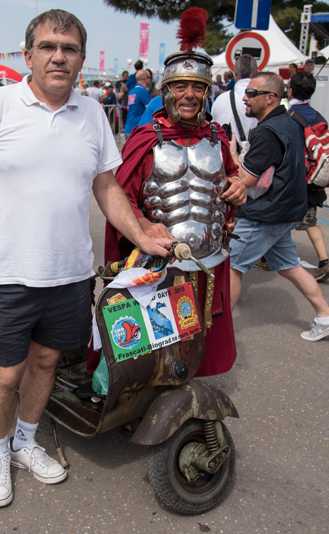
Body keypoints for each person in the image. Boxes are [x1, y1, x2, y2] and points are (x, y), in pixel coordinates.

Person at [0, 9, 172, 508]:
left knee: (47, 361)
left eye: (68, 49)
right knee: (5, 373)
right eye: (48, 47)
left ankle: (25, 441)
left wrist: (140, 233)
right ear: (28, 55)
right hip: (6, 272)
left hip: (69, 273)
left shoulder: (91, 112)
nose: (58, 57)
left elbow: (106, 185)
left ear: (81, 60)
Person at [102, 9, 246, 380]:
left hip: (207, 262)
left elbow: (230, 181)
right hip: (159, 266)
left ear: (207, 92)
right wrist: (146, 226)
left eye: (198, 87)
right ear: (166, 92)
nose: (189, 95)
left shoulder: (217, 137)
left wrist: (239, 188)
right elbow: (121, 198)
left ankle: (192, 391)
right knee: (153, 346)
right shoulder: (146, 139)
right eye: (180, 86)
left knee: (199, 341)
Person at [228, 72, 329, 341]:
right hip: (286, 210)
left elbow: (244, 179)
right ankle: (326, 317)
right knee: (289, 265)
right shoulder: (288, 121)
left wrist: (233, 152)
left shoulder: (268, 131)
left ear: (270, 97)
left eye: (252, 93)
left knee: (232, 266)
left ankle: (217, 333)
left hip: (265, 213)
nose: (245, 98)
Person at [288, 72, 329, 282]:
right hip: (313, 178)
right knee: (310, 220)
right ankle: (324, 261)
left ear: (290, 90)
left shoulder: (289, 116)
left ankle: (266, 257)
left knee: (278, 219)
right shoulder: (318, 116)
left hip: (295, 179)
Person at [211, 54, 258, 156]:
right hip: (257, 162)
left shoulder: (220, 100)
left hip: (227, 162)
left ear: (234, 76)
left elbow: (213, 134)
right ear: (256, 74)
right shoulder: (263, 100)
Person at [124, 69, 152, 137]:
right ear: (146, 79)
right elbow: (150, 110)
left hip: (128, 128)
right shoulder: (142, 91)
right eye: (150, 77)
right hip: (137, 130)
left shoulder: (132, 91)